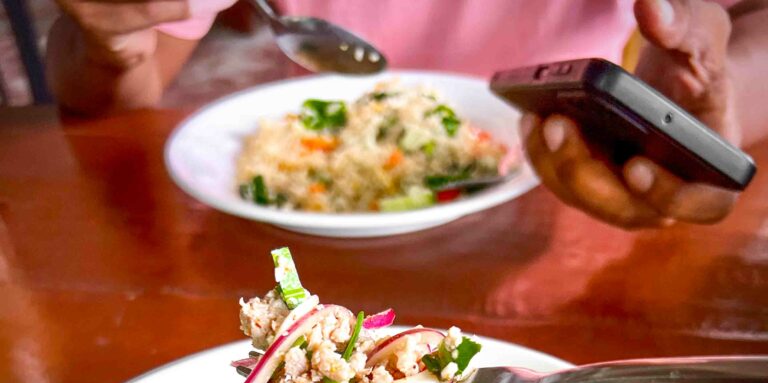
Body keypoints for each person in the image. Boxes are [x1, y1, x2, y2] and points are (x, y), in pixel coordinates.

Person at [46, 0, 768, 229]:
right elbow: (110, 100)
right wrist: (112, 34)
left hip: (574, 231)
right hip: (290, 257)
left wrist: (720, 84)